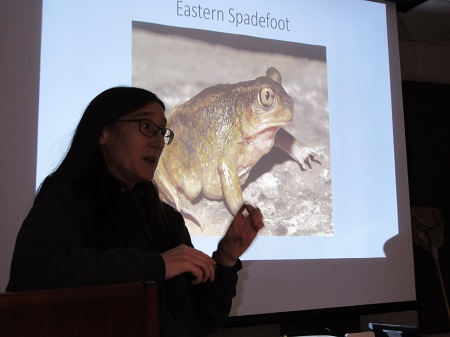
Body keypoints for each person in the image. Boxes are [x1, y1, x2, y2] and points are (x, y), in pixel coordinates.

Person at [7, 86, 264, 337]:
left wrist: (227, 257)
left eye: (162, 132)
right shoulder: (67, 199)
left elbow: (202, 318)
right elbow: (35, 272)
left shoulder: (167, 219)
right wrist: (158, 265)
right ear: (103, 132)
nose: (158, 143)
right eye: (146, 127)